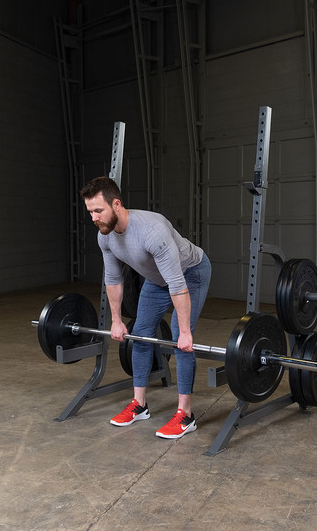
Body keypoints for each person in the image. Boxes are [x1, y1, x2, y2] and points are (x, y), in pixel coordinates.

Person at [80, 177, 212, 439]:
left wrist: (185, 332)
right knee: (139, 334)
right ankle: (139, 405)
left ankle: (186, 415)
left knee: (179, 339)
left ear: (116, 204)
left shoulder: (152, 231)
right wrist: (116, 321)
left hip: (190, 274)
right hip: (157, 280)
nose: (94, 218)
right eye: (90, 212)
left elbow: (176, 283)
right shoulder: (105, 237)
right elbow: (114, 279)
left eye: (98, 211)